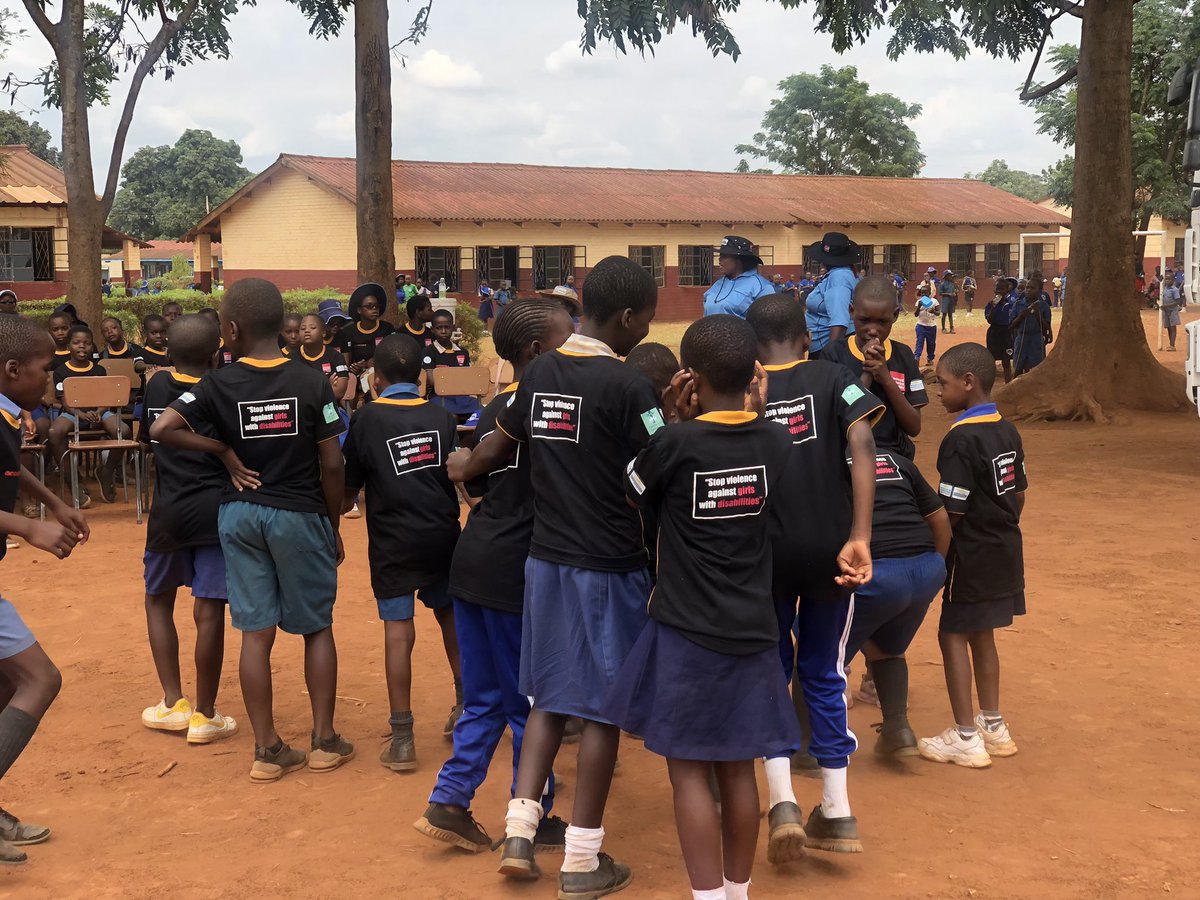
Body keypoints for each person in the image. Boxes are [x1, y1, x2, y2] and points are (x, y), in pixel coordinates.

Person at [446, 256, 660, 897]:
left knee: (546, 699)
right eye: (644, 324)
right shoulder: (630, 388)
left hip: (545, 563)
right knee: (599, 712)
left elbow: (491, 451)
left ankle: (518, 830)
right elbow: (660, 473)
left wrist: (462, 465)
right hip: (607, 566)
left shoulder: (539, 372)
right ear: (626, 318)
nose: (643, 335)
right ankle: (581, 860)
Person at [604, 314, 797, 900]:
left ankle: (707, 895)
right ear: (754, 375)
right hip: (753, 627)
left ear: (689, 376)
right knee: (739, 765)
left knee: (688, 768)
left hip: (686, 629)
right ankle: (736, 892)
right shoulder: (775, 439)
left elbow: (632, 491)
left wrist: (666, 418)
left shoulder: (675, 441)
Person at [150, 278, 351, 783]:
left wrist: (223, 451)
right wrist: (332, 522)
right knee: (316, 628)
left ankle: (267, 750)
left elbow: (161, 429)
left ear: (233, 330)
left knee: (254, 634)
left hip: (239, 516)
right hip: (299, 515)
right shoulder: (311, 381)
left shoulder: (217, 384)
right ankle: (325, 742)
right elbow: (331, 462)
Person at [415, 299, 575, 854]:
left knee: (484, 697)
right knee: (529, 701)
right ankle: (532, 815)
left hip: (475, 558)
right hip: (516, 570)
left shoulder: (495, 408)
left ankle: (450, 799)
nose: (574, 344)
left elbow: (477, 487)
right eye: (566, 338)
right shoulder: (554, 410)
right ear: (537, 351)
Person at [745, 294, 879, 863]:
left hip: (763, 556)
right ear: (805, 337)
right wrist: (861, 535)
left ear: (754, 348)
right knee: (823, 671)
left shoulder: (742, 387)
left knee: (771, 671)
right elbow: (864, 441)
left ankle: (781, 803)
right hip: (830, 550)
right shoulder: (833, 377)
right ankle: (838, 809)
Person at [342, 334, 464, 772]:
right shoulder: (441, 414)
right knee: (452, 618)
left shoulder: (367, 419)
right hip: (443, 536)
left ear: (375, 378)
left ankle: (403, 737)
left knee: (399, 632)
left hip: (393, 542)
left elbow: (348, 489)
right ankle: (465, 708)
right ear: (423, 377)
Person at [0, 314, 89, 865]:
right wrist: (29, 526)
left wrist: (51, 500)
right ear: (11, 370)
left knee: (5, 687)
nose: (52, 382)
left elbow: (6, 468)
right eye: (46, 370)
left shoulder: (8, 415)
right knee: (39, 679)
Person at [918, 342, 1025, 769]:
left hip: (970, 553)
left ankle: (965, 735)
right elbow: (1018, 495)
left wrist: (936, 560)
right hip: (1005, 548)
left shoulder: (960, 439)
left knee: (952, 634)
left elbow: (952, 511)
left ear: (968, 383)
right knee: (984, 633)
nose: (938, 392)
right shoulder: (1007, 429)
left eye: (942, 384)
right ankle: (994, 726)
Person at [138, 315, 237, 745]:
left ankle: (173, 702)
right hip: (215, 512)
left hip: (168, 512)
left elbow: (149, 439)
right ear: (216, 352)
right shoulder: (223, 389)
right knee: (210, 609)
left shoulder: (157, 386)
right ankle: (206, 715)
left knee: (157, 601)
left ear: (167, 353)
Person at [844, 450, 949, 758]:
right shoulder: (896, 461)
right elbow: (940, 518)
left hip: (876, 575)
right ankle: (898, 729)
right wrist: (935, 570)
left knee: (815, 655)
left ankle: (809, 748)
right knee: (885, 647)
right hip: (926, 568)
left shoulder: (825, 463)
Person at [823, 276, 929, 461]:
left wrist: (886, 379)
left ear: (895, 316)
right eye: (864, 320)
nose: (872, 330)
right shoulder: (834, 354)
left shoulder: (903, 355)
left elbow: (914, 427)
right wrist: (867, 373)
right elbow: (833, 420)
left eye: (882, 322)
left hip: (893, 456)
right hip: (846, 455)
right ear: (851, 311)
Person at [47, 326, 128, 505]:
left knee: (124, 430)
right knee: (54, 433)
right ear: (68, 346)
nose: (82, 347)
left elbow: (106, 399)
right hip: (73, 413)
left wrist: (99, 412)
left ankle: (106, 472)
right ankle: (73, 481)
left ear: (93, 346)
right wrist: (82, 415)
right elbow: (64, 402)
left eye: (87, 343)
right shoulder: (61, 371)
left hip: (100, 412)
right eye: (76, 343)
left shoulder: (99, 370)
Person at [337, 283, 397, 400]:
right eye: (369, 306)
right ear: (359, 310)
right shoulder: (349, 331)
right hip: (357, 377)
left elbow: (393, 355)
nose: (374, 309)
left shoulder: (387, 328)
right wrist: (359, 366)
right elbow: (347, 362)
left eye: (376, 306)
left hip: (382, 374)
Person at [803, 232, 859, 358]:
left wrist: (830, 357)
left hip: (826, 346)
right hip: (822, 345)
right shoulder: (839, 274)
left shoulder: (838, 277)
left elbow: (839, 321)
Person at [703, 235, 776, 319]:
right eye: (720, 255)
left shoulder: (761, 287)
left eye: (725, 256)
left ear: (739, 260)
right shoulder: (718, 284)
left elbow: (769, 322)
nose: (719, 259)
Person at [428, 309, 480, 418]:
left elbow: (468, 379)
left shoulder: (463, 352)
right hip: (439, 398)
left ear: (453, 327)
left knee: (482, 412)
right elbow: (433, 381)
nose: (443, 331)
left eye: (447, 327)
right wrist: (456, 379)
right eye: (439, 328)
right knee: (451, 417)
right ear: (432, 329)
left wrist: (447, 378)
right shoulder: (428, 352)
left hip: (462, 398)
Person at [296, 313, 350, 396]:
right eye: (302, 328)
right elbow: (289, 392)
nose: (306, 331)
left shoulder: (336, 357)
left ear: (323, 333)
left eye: (313, 327)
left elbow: (339, 392)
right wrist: (327, 386)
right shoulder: (290, 359)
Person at [1010, 276, 1051, 377]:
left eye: (1032, 288)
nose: (1028, 290)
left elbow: (1047, 327)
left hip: (1036, 339)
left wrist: (1038, 315)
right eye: (1027, 288)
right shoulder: (1018, 304)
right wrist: (1021, 316)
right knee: (1017, 367)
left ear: (1040, 291)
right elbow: (1011, 325)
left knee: (1037, 370)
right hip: (1021, 339)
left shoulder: (1044, 306)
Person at [984, 279, 1015, 384]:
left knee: (1006, 362)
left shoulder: (1011, 305)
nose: (999, 292)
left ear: (1007, 291)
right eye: (997, 289)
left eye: (1002, 289)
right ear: (994, 291)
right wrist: (993, 307)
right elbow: (990, 320)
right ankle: (989, 387)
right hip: (994, 333)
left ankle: (1008, 386)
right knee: (991, 360)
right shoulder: (990, 304)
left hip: (1006, 334)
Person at [403, 294, 437, 363]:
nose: (433, 312)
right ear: (418, 312)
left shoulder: (431, 333)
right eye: (429, 309)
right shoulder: (401, 334)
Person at [912, 284, 939, 366]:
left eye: (925, 292)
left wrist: (933, 311)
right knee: (919, 342)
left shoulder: (934, 301)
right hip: (921, 325)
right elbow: (915, 314)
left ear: (929, 292)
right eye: (922, 293)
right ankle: (917, 357)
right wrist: (919, 306)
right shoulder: (919, 302)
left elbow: (938, 312)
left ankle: (930, 358)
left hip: (931, 326)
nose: (923, 294)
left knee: (931, 343)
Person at [1161, 269, 1183, 351]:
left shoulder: (1175, 290)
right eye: (1166, 279)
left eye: (1169, 279)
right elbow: (1161, 282)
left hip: (1172, 311)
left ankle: (1172, 345)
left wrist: (1166, 305)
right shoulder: (1165, 288)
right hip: (1166, 311)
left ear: (1173, 280)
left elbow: (1177, 301)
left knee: (1173, 328)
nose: (1167, 281)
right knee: (1169, 328)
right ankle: (1170, 344)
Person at [939, 270, 958, 334]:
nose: (951, 276)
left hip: (951, 300)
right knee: (944, 314)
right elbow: (940, 293)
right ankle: (943, 328)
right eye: (949, 275)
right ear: (946, 276)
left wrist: (954, 294)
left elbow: (956, 290)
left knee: (950, 314)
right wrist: (948, 294)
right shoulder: (942, 284)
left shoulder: (952, 284)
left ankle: (951, 328)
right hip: (945, 301)